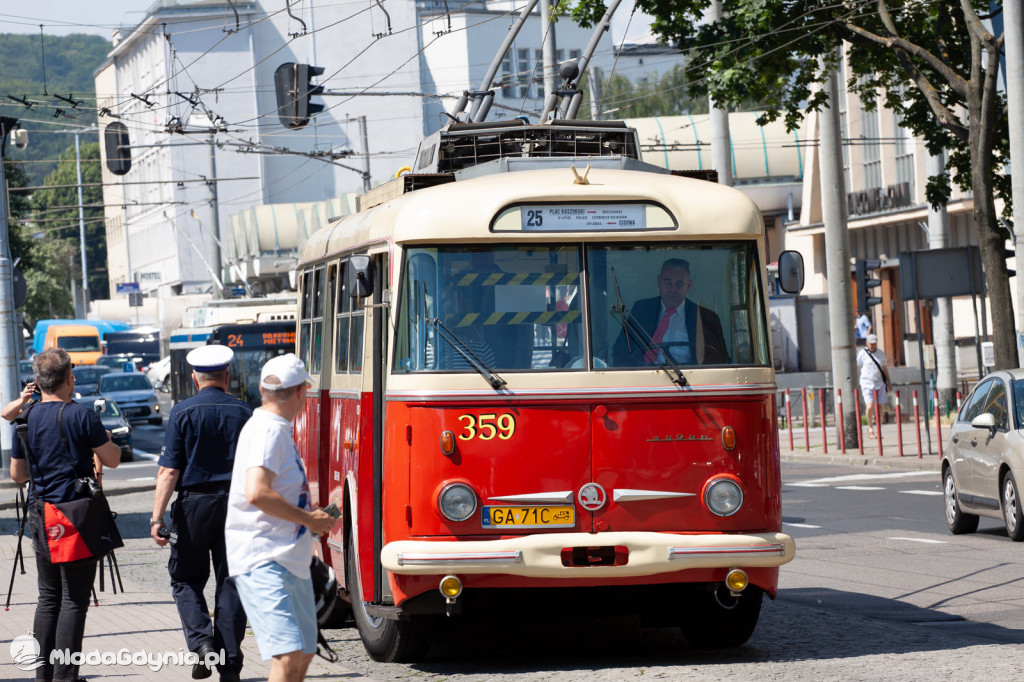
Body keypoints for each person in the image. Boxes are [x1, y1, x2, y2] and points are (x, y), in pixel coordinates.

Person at [9, 349, 122, 682]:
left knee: (48, 598)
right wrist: (107, 441)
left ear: (39, 381)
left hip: (41, 515)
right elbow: (112, 459)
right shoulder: (82, 415)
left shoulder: (26, 417)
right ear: (69, 378)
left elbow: (18, 474)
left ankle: (42, 675)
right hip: (76, 516)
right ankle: (65, 676)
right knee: (74, 600)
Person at [225, 354, 337, 682]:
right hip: (264, 558)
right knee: (288, 656)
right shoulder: (268, 430)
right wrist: (309, 520)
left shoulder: (272, 428)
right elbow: (256, 492)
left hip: (288, 559)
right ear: (302, 391)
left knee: (302, 652)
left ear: (262, 388)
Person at [151, 345, 252, 682]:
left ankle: (202, 645)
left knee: (185, 580)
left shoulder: (182, 412)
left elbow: (168, 472)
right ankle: (230, 666)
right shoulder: (245, 413)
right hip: (237, 508)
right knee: (232, 583)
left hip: (193, 506)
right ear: (227, 376)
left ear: (195, 378)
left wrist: (156, 518)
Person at [612, 258, 729, 366]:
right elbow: (620, 351)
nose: (673, 289)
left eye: (679, 284)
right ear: (659, 282)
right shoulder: (641, 310)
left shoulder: (706, 318)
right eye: (668, 282)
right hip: (645, 378)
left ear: (688, 286)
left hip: (690, 381)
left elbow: (720, 359)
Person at [857, 333, 891, 438]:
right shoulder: (862, 353)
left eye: (874, 343)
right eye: (871, 343)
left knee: (880, 407)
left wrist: (889, 382)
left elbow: (884, 368)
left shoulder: (881, 353)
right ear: (867, 343)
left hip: (879, 382)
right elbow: (858, 366)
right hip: (866, 382)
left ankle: (879, 429)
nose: (872, 345)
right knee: (870, 405)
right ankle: (870, 428)